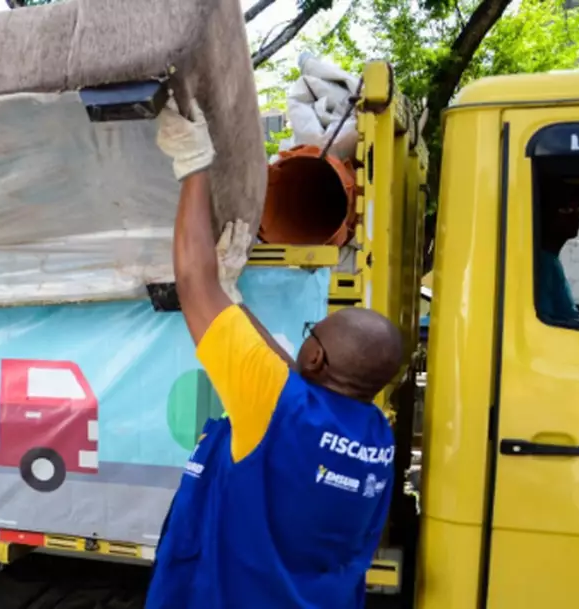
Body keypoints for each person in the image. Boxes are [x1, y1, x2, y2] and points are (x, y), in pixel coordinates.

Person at [145, 98, 403, 609]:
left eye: (313, 333)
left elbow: (192, 282)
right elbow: (290, 384)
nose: (303, 343)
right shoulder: (374, 437)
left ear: (317, 360)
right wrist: (233, 301)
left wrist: (193, 165)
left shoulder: (277, 406)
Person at [537, 192, 579, 323]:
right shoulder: (542, 263)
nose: (578, 215)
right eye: (567, 210)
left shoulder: (551, 259)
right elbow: (546, 322)